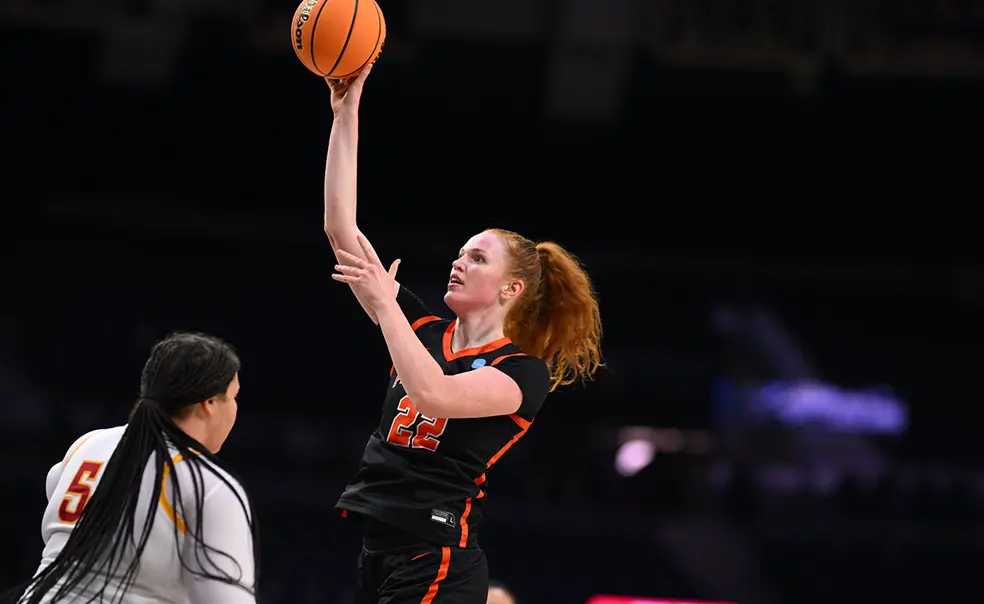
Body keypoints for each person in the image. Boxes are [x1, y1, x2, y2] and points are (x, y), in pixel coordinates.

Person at [323, 66, 603, 604]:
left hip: (438, 558)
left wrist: (385, 306)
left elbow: (435, 395)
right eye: (459, 254)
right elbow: (340, 231)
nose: (458, 263)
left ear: (511, 288)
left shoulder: (522, 372)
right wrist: (346, 114)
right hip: (377, 547)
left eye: (476, 258)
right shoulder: (423, 329)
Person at [8, 332, 258, 604]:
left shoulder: (86, 446)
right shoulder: (207, 486)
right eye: (233, 397)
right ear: (209, 403)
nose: (235, 408)